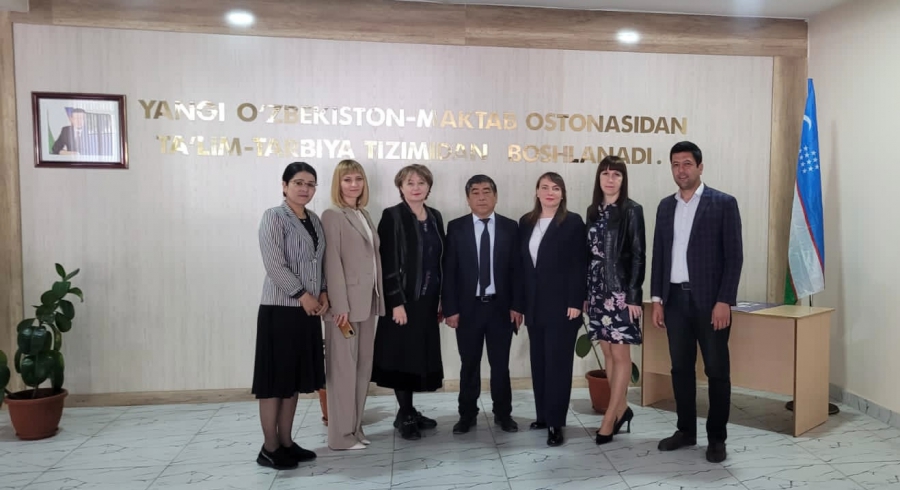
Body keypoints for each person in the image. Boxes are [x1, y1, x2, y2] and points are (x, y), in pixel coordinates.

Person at [651, 141, 743, 463]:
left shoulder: (723, 203)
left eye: (687, 164)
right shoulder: (665, 206)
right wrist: (657, 299)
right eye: (676, 164)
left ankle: (717, 438)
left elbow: (734, 257)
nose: (681, 170)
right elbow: (659, 256)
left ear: (700, 167)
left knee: (716, 370)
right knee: (680, 369)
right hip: (675, 301)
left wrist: (724, 300)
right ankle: (685, 431)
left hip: (710, 303)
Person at [252, 162, 328, 470]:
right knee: (275, 382)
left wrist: (323, 292)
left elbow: (320, 263)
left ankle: (286, 442)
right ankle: (269, 447)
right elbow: (274, 264)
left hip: (307, 311)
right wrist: (303, 295)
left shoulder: (314, 220)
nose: (304, 189)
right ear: (284, 186)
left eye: (310, 184)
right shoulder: (274, 217)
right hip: (280, 310)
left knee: (293, 380)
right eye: (298, 182)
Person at [443, 175, 523, 435]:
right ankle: (467, 415)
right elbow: (449, 272)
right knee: (469, 364)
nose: (481, 197)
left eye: (487, 191)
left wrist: (517, 305)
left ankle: (503, 414)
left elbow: (517, 270)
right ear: (467, 199)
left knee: (500, 365)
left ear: (495, 196)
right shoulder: (456, 228)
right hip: (468, 309)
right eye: (475, 192)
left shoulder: (510, 227)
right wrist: (451, 309)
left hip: (500, 308)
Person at [371, 164, 446, 441]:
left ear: (429, 187)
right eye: (410, 183)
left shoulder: (435, 216)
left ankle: (410, 409)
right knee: (401, 357)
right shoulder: (392, 216)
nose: (416, 187)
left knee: (418, 356)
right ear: (400, 187)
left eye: (421, 183)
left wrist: (442, 299)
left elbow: (440, 260)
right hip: (403, 302)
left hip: (427, 301)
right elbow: (387, 262)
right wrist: (396, 303)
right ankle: (405, 414)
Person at [517, 172, 587, 447]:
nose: (550, 192)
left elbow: (579, 264)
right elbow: (521, 267)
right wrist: (519, 305)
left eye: (556, 188)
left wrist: (575, 301)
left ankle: (556, 423)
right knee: (539, 362)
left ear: (562, 194)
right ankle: (543, 416)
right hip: (534, 306)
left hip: (563, 306)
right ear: (537, 192)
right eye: (544, 187)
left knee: (558, 365)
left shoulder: (573, 222)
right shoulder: (526, 222)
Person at [321, 159, 385, 451]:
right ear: (338, 183)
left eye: (358, 179)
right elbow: (332, 262)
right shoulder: (332, 215)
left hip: (367, 302)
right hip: (344, 308)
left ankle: (355, 429)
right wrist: (339, 304)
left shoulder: (364, 214)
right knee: (343, 371)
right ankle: (340, 436)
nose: (354, 184)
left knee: (362, 369)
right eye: (347, 180)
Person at [584, 156, 646, 445]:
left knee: (621, 355)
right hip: (597, 291)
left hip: (620, 293)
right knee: (608, 352)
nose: (610, 179)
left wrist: (633, 295)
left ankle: (610, 417)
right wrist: (586, 294)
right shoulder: (593, 211)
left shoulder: (632, 210)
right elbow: (588, 255)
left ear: (623, 179)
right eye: (605, 174)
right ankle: (622, 409)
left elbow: (638, 254)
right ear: (599, 178)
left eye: (617, 175)